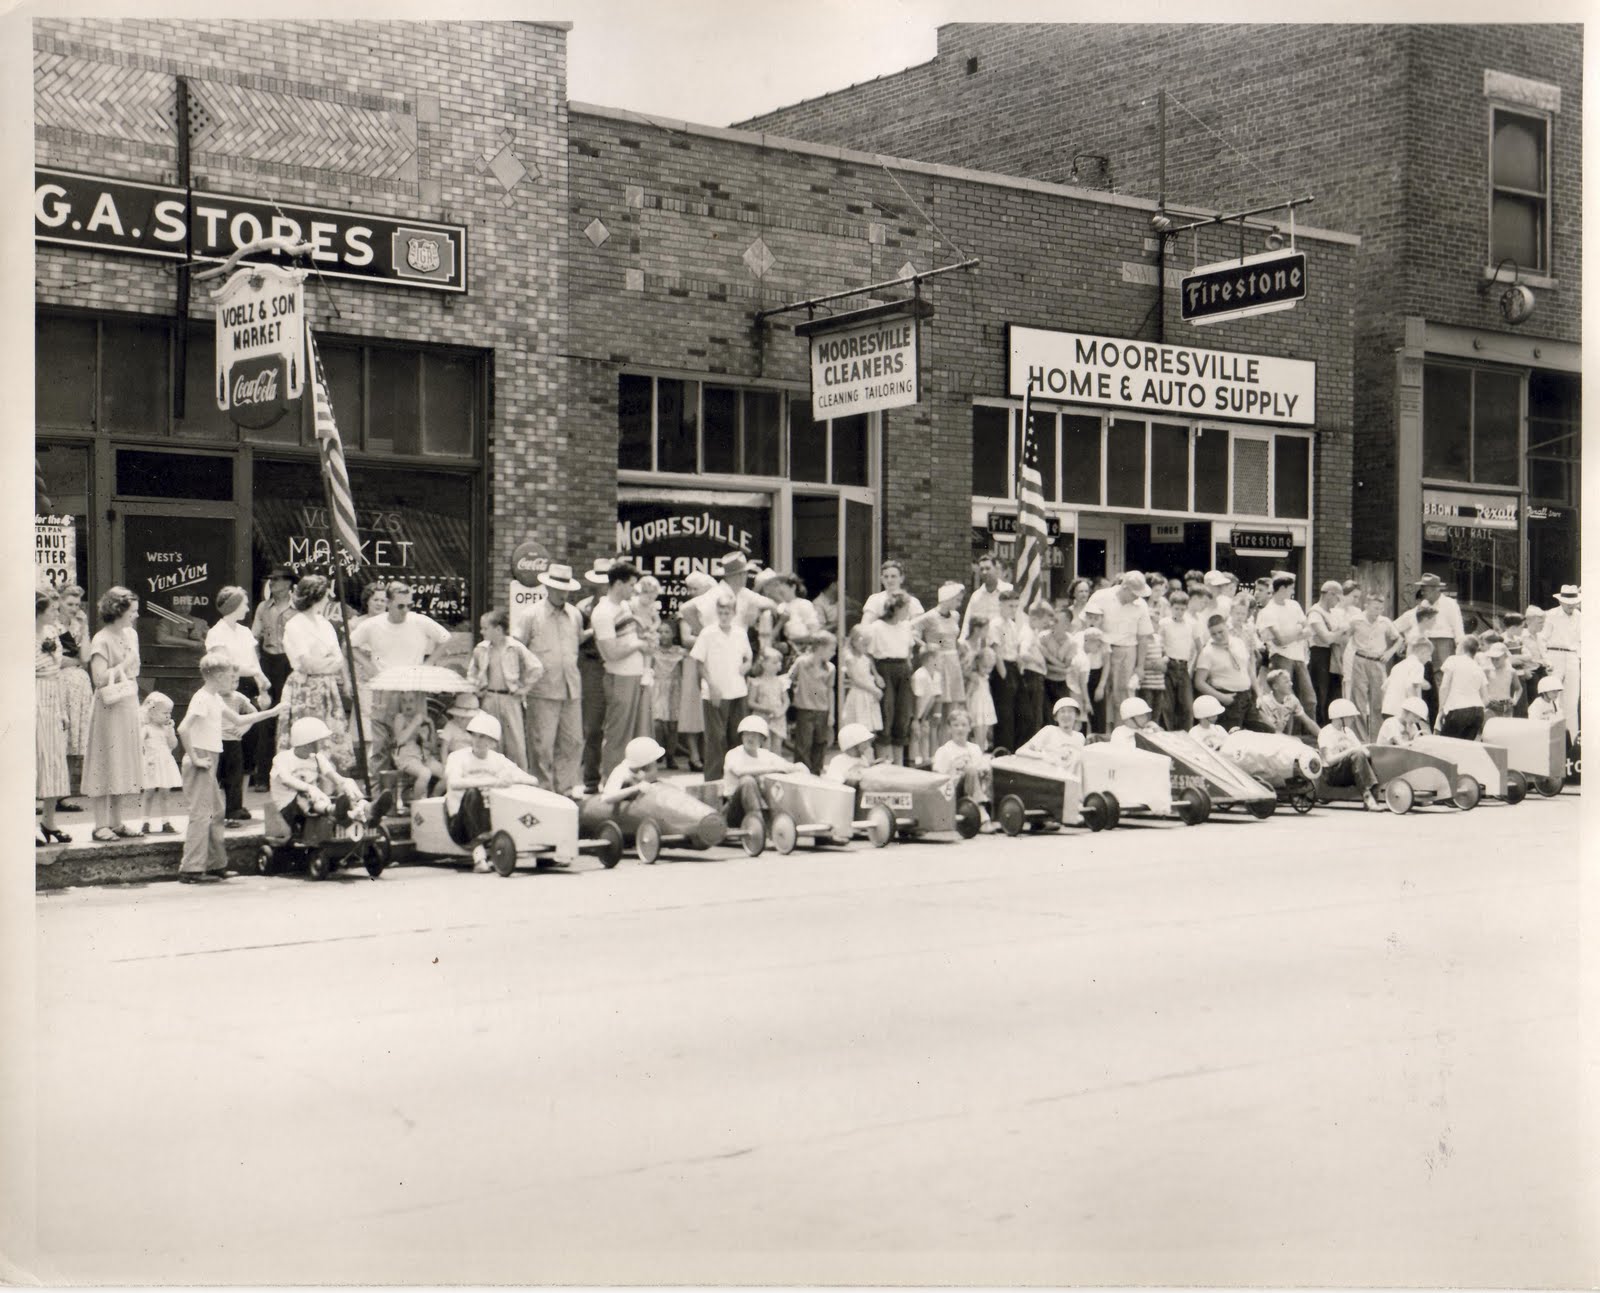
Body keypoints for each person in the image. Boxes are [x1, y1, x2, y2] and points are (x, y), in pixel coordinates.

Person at [178, 652, 279, 881]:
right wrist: (195, 758)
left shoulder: (214, 698)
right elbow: (183, 728)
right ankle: (191, 869)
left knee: (216, 813)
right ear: (218, 676)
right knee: (201, 815)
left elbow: (239, 720)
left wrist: (272, 712)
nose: (233, 680)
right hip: (201, 758)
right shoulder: (202, 698)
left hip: (210, 758)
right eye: (229, 676)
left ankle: (215, 864)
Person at [351, 579, 452, 774]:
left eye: (409, 605)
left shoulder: (419, 621)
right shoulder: (373, 625)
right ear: (388, 603)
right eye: (400, 606)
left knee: (414, 740)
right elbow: (350, 645)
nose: (405, 610)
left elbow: (445, 638)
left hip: (413, 688)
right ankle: (381, 787)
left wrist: (429, 663)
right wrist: (370, 667)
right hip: (385, 688)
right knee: (381, 741)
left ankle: (412, 785)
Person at [206, 585, 273, 823]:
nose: (246, 608)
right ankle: (219, 806)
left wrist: (262, 684)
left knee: (247, 746)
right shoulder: (216, 633)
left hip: (249, 687)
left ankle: (238, 803)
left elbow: (254, 661)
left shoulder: (244, 632)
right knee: (228, 747)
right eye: (243, 603)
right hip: (228, 688)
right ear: (233, 605)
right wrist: (254, 672)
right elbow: (223, 664)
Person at [82, 585, 144, 841]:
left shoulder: (131, 635)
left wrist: (129, 668)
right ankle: (100, 825)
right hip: (109, 708)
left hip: (127, 702)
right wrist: (124, 665)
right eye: (132, 611)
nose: (136, 615)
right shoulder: (102, 639)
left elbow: (135, 669)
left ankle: (117, 822)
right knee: (105, 761)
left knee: (121, 762)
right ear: (118, 611)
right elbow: (98, 678)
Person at [518, 560, 585, 796]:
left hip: (571, 688)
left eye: (565, 589)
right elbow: (517, 650)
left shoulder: (575, 615)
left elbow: (577, 644)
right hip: (542, 690)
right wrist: (523, 684)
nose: (562, 594)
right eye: (557, 589)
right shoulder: (530, 615)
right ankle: (543, 791)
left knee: (573, 742)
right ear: (547, 587)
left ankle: (565, 790)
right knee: (542, 745)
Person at [443, 712, 541, 871]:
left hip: (491, 820)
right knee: (473, 793)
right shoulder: (457, 757)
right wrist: (493, 782)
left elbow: (532, 780)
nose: (477, 740)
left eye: (482, 737)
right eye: (474, 735)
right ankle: (479, 856)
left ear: (492, 742)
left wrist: (510, 779)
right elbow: (454, 782)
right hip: (460, 824)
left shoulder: (498, 760)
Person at [278, 574, 354, 771]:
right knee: (308, 734)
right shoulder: (295, 624)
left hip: (327, 687)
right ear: (315, 596)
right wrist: (327, 662)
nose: (328, 598)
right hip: (305, 688)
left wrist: (323, 663)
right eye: (325, 594)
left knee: (328, 734)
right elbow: (306, 664)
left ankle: (329, 780)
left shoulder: (325, 623)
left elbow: (339, 659)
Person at [269, 716, 379, 841]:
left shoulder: (317, 758)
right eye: (319, 741)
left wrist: (346, 783)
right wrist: (309, 788)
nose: (322, 744)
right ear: (308, 743)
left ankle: (366, 808)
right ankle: (335, 810)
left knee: (344, 787)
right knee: (304, 795)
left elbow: (335, 777)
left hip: (313, 803)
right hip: (288, 808)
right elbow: (286, 779)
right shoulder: (282, 759)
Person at [468, 606, 542, 772]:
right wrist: (477, 687)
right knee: (490, 739)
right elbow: (471, 673)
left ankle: (519, 777)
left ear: (498, 629)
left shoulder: (514, 647)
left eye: (485, 628)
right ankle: (491, 775)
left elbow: (536, 667)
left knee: (515, 742)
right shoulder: (481, 649)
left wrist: (524, 688)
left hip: (510, 698)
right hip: (489, 698)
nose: (482, 632)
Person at [691, 590, 753, 782]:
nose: (724, 616)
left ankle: (734, 780)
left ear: (734, 613)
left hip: (738, 691)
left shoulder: (740, 633)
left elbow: (748, 657)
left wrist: (747, 665)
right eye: (721, 612)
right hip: (715, 693)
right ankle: (713, 782)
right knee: (716, 740)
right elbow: (699, 663)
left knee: (737, 737)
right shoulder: (707, 633)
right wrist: (711, 686)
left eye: (727, 613)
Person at [251, 565, 297, 787]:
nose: (272, 583)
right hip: (269, 662)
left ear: (288, 583)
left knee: (290, 716)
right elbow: (254, 638)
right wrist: (257, 667)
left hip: (290, 663)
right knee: (267, 717)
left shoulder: (298, 608)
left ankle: (290, 774)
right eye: (271, 579)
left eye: (277, 579)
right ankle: (263, 776)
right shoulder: (263, 607)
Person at [721, 715, 805, 828]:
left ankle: (782, 823)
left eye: (755, 735)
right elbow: (739, 771)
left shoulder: (766, 755)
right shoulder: (733, 754)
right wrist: (774, 768)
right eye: (747, 734)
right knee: (748, 781)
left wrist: (798, 768)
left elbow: (789, 767)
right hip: (734, 810)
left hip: (760, 806)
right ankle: (760, 826)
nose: (750, 738)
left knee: (779, 783)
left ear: (762, 739)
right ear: (742, 736)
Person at [673, 569, 719, 772]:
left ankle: (708, 753)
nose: (691, 592)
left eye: (695, 588)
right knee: (692, 709)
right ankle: (694, 755)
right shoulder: (687, 612)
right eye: (689, 589)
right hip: (693, 661)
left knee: (708, 708)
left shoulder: (713, 611)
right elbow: (686, 639)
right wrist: (711, 638)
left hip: (712, 661)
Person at [35, 592, 71, 845]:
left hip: (52, 697)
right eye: (52, 610)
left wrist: (62, 710)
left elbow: (57, 672)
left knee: (54, 761)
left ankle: (49, 822)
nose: (57, 613)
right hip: (32, 696)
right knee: (34, 760)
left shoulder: (52, 634)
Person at [1194, 614, 1269, 733]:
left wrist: (1259, 693)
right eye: (1214, 634)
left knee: (1265, 731)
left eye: (1221, 632)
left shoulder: (1238, 643)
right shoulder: (1207, 652)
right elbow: (1199, 682)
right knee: (1231, 735)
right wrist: (1222, 697)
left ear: (1226, 627)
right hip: (1228, 698)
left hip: (1247, 696)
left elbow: (1248, 669)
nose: (1218, 636)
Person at [866, 590, 918, 764]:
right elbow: (869, 655)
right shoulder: (877, 627)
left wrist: (909, 671)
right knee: (886, 714)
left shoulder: (906, 626)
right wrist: (876, 675)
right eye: (906, 608)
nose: (908, 612)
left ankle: (899, 765)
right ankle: (883, 764)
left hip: (903, 670)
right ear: (895, 608)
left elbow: (909, 651)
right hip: (884, 669)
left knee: (903, 715)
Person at [1342, 587, 1400, 737]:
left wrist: (1389, 653)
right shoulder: (1356, 621)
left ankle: (1376, 738)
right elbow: (1344, 637)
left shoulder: (1385, 622)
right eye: (1375, 608)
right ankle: (1360, 738)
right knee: (1358, 701)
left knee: (1378, 703)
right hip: (1360, 661)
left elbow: (1399, 639)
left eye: (1381, 608)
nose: (1378, 612)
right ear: (1366, 606)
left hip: (1377, 662)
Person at [54, 583, 94, 798]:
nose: (74, 608)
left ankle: (65, 793)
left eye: (77, 604)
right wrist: (75, 660)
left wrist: (85, 627)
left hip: (79, 685)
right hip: (59, 684)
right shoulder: (51, 626)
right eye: (69, 604)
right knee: (59, 738)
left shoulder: (78, 626)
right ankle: (51, 791)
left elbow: (86, 657)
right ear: (59, 602)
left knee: (74, 740)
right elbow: (54, 661)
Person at [915, 581, 967, 745]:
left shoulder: (955, 616)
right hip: (937, 663)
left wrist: (959, 646)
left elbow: (952, 637)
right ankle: (933, 750)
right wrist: (927, 647)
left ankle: (947, 747)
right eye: (957, 599)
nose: (959, 604)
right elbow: (911, 630)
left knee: (951, 712)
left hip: (953, 663)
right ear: (947, 597)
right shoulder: (930, 616)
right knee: (936, 713)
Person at [1100, 572, 1154, 723]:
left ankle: (1122, 729)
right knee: (1103, 691)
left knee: (1124, 695)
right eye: (1134, 593)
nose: (1137, 597)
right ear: (1125, 588)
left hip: (1128, 652)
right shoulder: (1102, 597)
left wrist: (1140, 666)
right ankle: (1104, 731)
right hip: (1104, 650)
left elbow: (1143, 637)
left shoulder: (1141, 605)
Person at [1319, 697, 1381, 810]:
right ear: (1340, 718)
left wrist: (1365, 751)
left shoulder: (1349, 732)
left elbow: (1364, 752)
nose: (1353, 719)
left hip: (1349, 770)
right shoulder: (1325, 732)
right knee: (1356, 754)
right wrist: (1350, 751)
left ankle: (1373, 791)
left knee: (1364, 754)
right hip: (1332, 773)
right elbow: (1329, 760)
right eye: (1350, 716)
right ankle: (1368, 796)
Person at [788, 631, 836, 775]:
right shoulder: (801, 662)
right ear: (820, 648)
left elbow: (830, 691)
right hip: (805, 709)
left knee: (820, 742)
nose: (834, 653)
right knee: (803, 743)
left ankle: (816, 772)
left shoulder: (830, 668)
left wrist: (831, 713)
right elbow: (790, 678)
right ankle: (801, 773)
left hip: (822, 710)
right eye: (831, 649)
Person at [931, 706, 992, 815]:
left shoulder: (975, 748)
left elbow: (981, 772)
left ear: (969, 728)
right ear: (949, 728)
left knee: (987, 769)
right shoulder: (944, 750)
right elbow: (938, 780)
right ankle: (981, 809)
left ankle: (989, 808)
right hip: (952, 792)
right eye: (956, 725)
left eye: (964, 725)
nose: (960, 729)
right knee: (970, 770)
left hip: (972, 788)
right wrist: (954, 769)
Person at [138, 692, 183, 834]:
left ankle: (165, 821)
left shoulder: (166, 728)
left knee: (165, 793)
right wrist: (144, 758)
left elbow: (173, 745)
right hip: (151, 763)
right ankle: (145, 821)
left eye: (169, 713)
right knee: (149, 792)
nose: (168, 716)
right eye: (164, 713)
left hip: (165, 762)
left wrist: (170, 731)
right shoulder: (147, 728)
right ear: (151, 713)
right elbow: (138, 744)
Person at [1306, 580, 1350, 724]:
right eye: (1337, 598)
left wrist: (1336, 634)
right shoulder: (1315, 613)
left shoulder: (1332, 613)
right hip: (1320, 655)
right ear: (1330, 594)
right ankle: (1319, 726)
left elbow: (1342, 638)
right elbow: (1326, 638)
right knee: (1321, 693)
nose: (1338, 602)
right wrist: (1340, 631)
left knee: (1334, 693)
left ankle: (1332, 725)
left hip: (1333, 656)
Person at [1542, 585, 1581, 743]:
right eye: (1568, 602)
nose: (1571, 605)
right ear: (1560, 601)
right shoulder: (1550, 615)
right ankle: (1554, 739)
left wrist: (1579, 656)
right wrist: (1546, 659)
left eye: (1574, 602)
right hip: (1554, 655)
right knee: (1553, 697)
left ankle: (1572, 741)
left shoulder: (1580, 616)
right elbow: (1542, 639)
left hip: (1572, 657)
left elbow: (1582, 640)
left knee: (1572, 701)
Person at [391, 691, 445, 802]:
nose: (408, 704)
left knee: (448, 773)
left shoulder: (426, 721)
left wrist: (427, 742)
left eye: (411, 701)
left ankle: (433, 799)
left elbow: (433, 747)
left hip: (425, 756)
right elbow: (399, 740)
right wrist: (414, 724)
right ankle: (417, 804)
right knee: (425, 773)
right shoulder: (400, 718)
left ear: (418, 703)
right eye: (404, 701)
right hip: (407, 756)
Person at [1435, 635, 1488, 740]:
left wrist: (1441, 710)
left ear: (1461, 647)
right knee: (1464, 747)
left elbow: (1444, 686)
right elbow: (1486, 698)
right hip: (1478, 712)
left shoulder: (1453, 660)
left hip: (1457, 709)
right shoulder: (1478, 667)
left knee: (1445, 745)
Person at [1159, 587, 1198, 730]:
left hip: (1184, 666)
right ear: (1170, 607)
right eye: (1176, 609)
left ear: (1186, 608)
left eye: (1182, 609)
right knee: (1167, 706)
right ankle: (1168, 735)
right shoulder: (1164, 623)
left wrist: (1191, 667)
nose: (1179, 612)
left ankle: (1186, 734)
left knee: (1187, 706)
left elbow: (1198, 647)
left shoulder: (1191, 624)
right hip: (1169, 665)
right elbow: (1159, 644)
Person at [1015, 602, 1052, 748]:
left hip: (1034, 676)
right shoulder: (1028, 633)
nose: (1045, 625)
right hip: (1032, 676)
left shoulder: (1032, 632)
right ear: (1035, 618)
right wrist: (1039, 662)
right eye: (1043, 622)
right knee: (1034, 716)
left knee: (1036, 715)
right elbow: (1023, 653)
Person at [652, 618, 686, 768]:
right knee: (657, 723)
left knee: (673, 724)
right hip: (657, 688)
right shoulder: (653, 650)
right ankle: (658, 751)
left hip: (674, 689)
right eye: (660, 632)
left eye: (667, 632)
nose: (663, 635)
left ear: (673, 634)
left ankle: (670, 756)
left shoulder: (679, 652)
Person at [839, 626, 884, 742]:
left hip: (869, 695)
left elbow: (871, 673)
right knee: (860, 726)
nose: (866, 648)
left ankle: (868, 750)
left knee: (871, 728)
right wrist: (874, 690)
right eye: (864, 644)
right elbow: (855, 680)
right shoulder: (850, 658)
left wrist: (877, 678)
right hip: (860, 694)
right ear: (855, 642)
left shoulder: (865, 658)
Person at [1380, 634, 1434, 726]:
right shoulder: (1418, 665)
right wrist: (1415, 708)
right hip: (1402, 712)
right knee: (1410, 732)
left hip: (1388, 709)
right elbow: (1411, 686)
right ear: (1422, 653)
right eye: (1429, 656)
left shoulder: (1398, 666)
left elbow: (1384, 687)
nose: (1429, 659)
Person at [1016, 695, 1088, 763]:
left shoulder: (1080, 737)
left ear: (1076, 716)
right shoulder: (1049, 730)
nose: (1066, 715)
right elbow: (1021, 751)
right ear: (1056, 717)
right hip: (1048, 770)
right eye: (1062, 711)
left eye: (1070, 711)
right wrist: (1044, 756)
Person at [962, 618, 998, 750]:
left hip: (982, 692)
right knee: (973, 727)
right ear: (976, 629)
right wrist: (972, 675)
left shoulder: (983, 645)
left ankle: (981, 752)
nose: (987, 633)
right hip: (970, 687)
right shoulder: (964, 645)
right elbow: (962, 668)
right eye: (985, 629)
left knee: (984, 727)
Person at [746, 649, 792, 753]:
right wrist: (767, 709)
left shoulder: (781, 681)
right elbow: (750, 702)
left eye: (779, 662)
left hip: (778, 718)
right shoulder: (757, 682)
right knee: (765, 747)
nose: (778, 665)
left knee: (777, 747)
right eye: (774, 662)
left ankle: (776, 763)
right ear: (763, 664)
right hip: (762, 717)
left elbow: (786, 701)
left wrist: (781, 712)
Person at [1256, 668, 1320, 738]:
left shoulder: (1292, 700)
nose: (1291, 684)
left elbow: (1308, 722)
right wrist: (1290, 739)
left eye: (1290, 681)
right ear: (1275, 686)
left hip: (1281, 737)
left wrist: (1322, 736)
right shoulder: (1265, 702)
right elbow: (1271, 731)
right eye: (1286, 682)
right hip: (1266, 738)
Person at [909, 644, 943, 767]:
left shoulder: (937, 675)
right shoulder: (919, 675)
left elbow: (933, 698)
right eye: (939, 658)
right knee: (915, 735)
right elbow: (916, 699)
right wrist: (915, 720)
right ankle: (912, 762)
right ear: (930, 659)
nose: (941, 661)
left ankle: (925, 761)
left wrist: (924, 718)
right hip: (913, 712)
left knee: (925, 733)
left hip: (924, 712)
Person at [823, 722, 877, 786]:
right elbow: (835, 784)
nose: (869, 744)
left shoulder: (865, 759)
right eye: (865, 742)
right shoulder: (838, 761)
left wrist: (871, 765)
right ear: (854, 744)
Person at [1481, 640, 1518, 718]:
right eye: (1492, 659)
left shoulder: (1511, 671)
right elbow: (1480, 687)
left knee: (1506, 725)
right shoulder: (1487, 671)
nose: (1494, 662)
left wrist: (1515, 699)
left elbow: (1518, 688)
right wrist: (1485, 699)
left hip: (1507, 706)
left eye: (1497, 659)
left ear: (1505, 657)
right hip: (1491, 705)